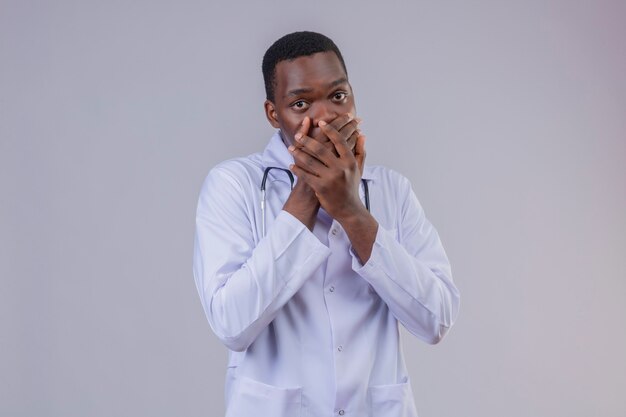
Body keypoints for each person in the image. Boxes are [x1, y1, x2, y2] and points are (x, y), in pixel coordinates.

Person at [193, 31, 460, 417]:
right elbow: (232, 324)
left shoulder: (392, 191)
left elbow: (436, 319)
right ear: (273, 114)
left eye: (338, 97)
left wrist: (353, 213)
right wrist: (306, 194)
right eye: (301, 103)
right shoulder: (234, 185)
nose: (325, 117)